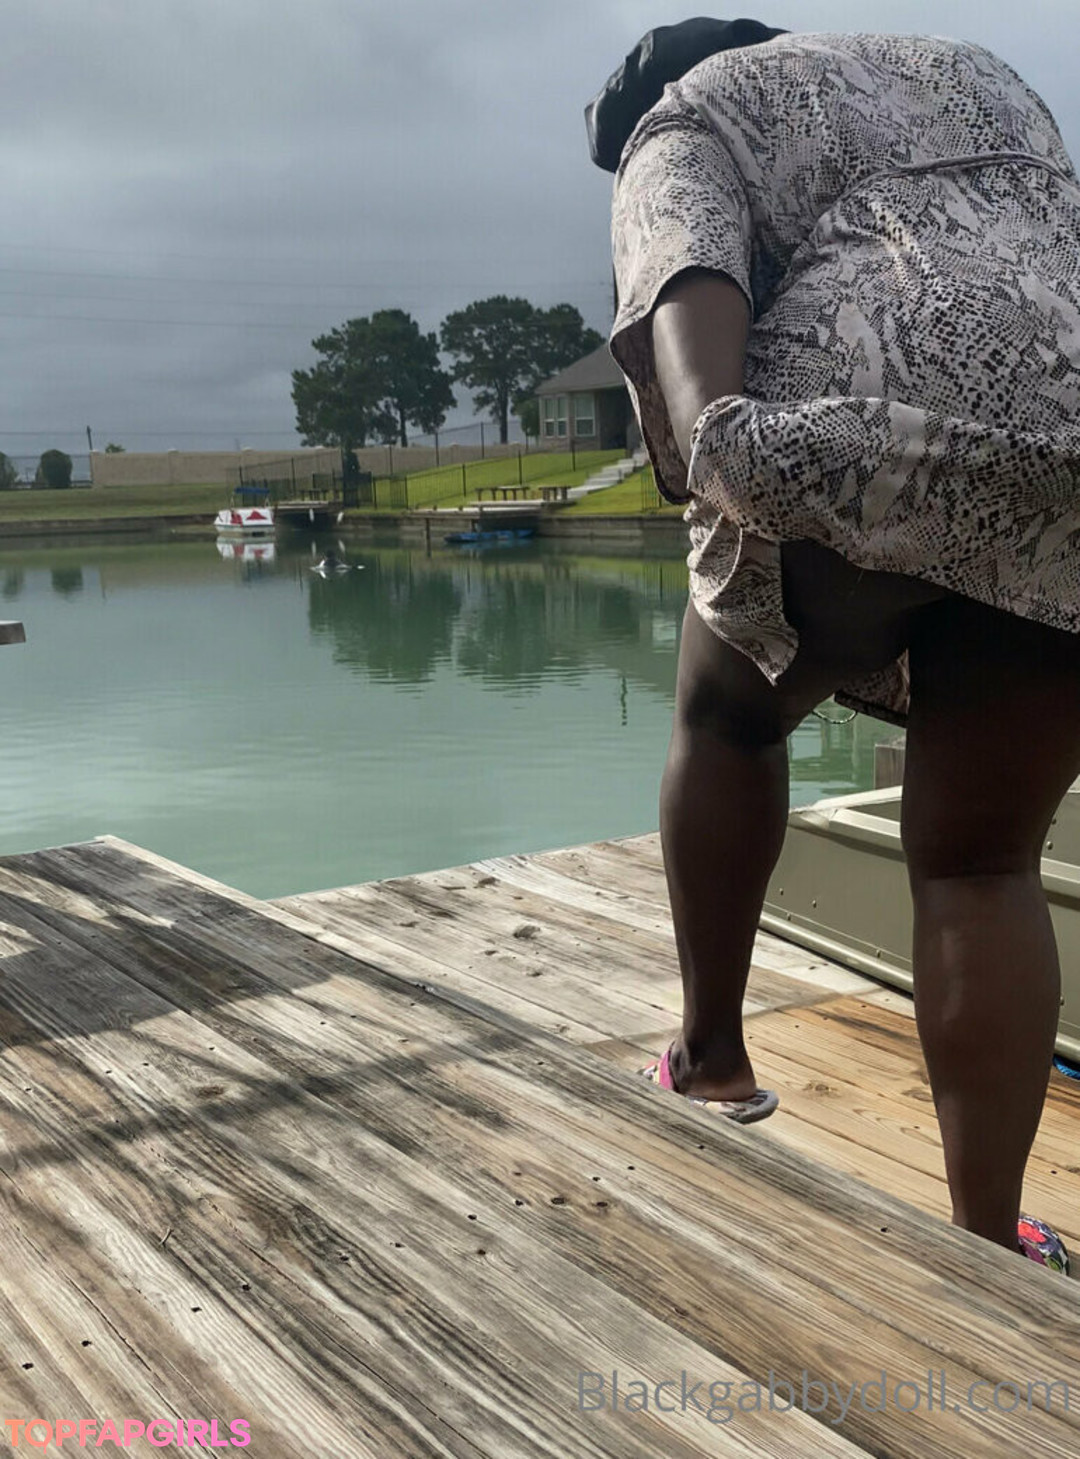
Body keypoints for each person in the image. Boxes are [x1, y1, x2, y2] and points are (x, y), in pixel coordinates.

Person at [587, 20, 1080, 1272]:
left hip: (852, 415)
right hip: (1071, 454)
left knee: (728, 714)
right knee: (984, 861)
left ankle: (711, 1058)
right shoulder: (977, 73)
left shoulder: (685, 113)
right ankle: (988, 1244)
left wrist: (719, 441)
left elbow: (686, 274)